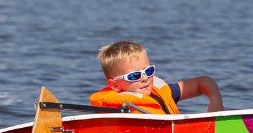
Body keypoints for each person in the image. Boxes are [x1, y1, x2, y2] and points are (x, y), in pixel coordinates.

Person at [90, 40, 223, 114]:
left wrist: (215, 102)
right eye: (135, 75)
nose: (144, 78)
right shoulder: (115, 111)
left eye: (148, 71)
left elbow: (204, 82)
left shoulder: (161, 92)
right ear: (114, 85)